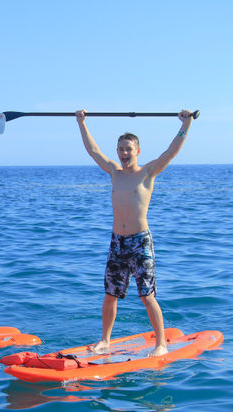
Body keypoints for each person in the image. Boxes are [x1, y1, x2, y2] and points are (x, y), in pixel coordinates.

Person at [76, 109, 194, 357]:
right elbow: (93, 151)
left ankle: (160, 343)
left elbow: (171, 152)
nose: (124, 153)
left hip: (140, 243)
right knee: (110, 295)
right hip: (117, 243)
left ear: (137, 151)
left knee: (147, 295)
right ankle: (105, 340)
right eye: (120, 149)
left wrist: (185, 125)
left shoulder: (147, 173)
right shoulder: (114, 173)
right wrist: (81, 122)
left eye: (128, 149)